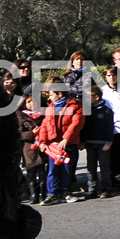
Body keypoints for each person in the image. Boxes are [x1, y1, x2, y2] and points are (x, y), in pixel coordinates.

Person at [36, 76, 85, 205]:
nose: (49, 97)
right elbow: (45, 125)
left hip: (68, 145)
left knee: (67, 170)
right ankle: (52, 194)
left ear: (59, 94)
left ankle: (65, 192)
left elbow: (76, 125)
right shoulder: (50, 107)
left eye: (51, 94)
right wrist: (42, 141)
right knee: (53, 170)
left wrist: (66, 139)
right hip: (54, 145)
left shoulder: (76, 106)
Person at [82, 85, 115, 199]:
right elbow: (84, 127)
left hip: (102, 143)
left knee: (104, 166)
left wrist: (108, 142)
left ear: (96, 97)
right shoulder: (86, 111)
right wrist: (82, 141)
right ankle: (92, 189)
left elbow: (110, 127)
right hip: (90, 142)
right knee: (91, 167)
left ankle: (107, 189)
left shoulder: (106, 110)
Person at [16, 85, 48, 204]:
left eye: (34, 101)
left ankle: (43, 193)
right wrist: (31, 133)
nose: (32, 103)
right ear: (24, 103)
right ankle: (33, 194)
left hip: (42, 147)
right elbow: (19, 134)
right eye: (29, 102)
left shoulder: (43, 113)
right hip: (29, 149)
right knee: (31, 172)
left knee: (42, 172)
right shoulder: (20, 116)